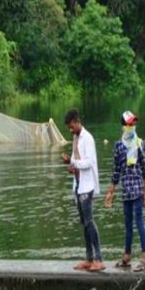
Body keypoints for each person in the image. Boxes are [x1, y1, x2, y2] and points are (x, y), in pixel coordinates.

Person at [104, 110, 145, 272]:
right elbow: (116, 171)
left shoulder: (139, 143)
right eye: (129, 124)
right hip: (126, 192)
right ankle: (127, 256)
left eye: (134, 123)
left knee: (139, 223)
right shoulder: (118, 147)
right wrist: (111, 192)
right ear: (124, 126)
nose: (132, 126)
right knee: (128, 225)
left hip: (137, 190)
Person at [61, 109, 104, 271]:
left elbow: (88, 163)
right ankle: (89, 258)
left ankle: (98, 259)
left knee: (89, 221)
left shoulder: (88, 138)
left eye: (72, 126)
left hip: (87, 186)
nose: (70, 130)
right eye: (69, 128)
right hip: (78, 185)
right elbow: (78, 163)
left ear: (77, 121)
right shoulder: (75, 138)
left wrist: (72, 161)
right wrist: (71, 166)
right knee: (84, 223)